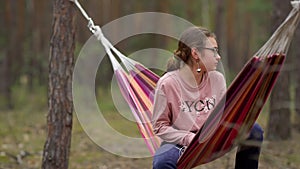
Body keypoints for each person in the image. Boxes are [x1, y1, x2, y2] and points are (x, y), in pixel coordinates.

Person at [151, 26, 264, 169]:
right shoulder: (168, 84)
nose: (218, 56)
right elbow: (160, 127)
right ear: (195, 53)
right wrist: (189, 139)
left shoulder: (217, 79)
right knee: (162, 163)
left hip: (213, 136)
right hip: (180, 141)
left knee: (254, 130)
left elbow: (225, 115)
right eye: (214, 51)